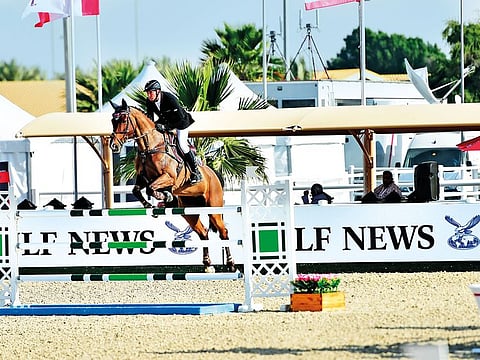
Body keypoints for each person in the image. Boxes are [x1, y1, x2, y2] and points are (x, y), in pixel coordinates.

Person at [144, 79, 202, 184]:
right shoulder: (149, 101)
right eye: (148, 92)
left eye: (151, 92)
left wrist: (166, 127)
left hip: (181, 123)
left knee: (182, 144)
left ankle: (196, 172)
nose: (149, 95)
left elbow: (179, 118)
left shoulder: (170, 99)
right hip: (166, 122)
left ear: (158, 91)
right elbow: (150, 118)